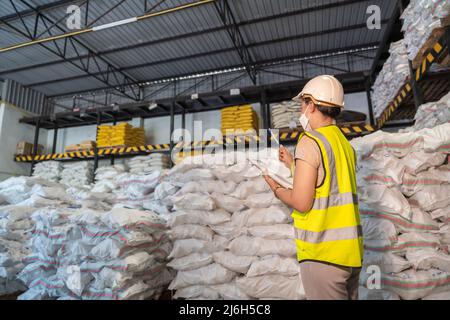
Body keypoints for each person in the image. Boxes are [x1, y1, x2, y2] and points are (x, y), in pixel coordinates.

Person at [263, 75, 363, 300]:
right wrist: (293, 164)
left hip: (323, 256)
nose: (301, 109)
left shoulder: (310, 141)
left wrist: (276, 188)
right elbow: (328, 184)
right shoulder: (344, 143)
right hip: (351, 255)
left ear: (312, 104)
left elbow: (301, 202)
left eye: (302, 102)